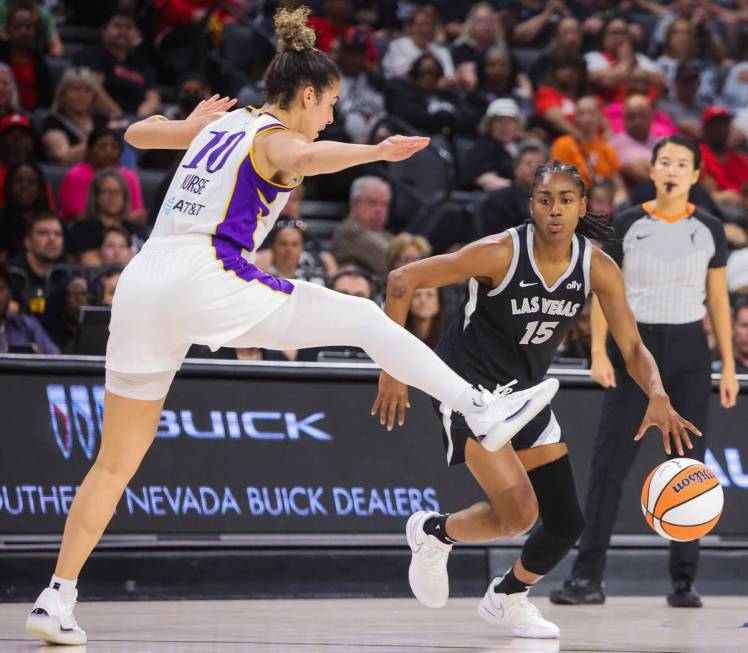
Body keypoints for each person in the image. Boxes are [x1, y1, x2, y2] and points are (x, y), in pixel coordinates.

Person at [24, 7, 560, 645]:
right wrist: (375, 151)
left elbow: (138, 134)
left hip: (143, 283)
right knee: (363, 316)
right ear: (306, 95)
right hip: (204, 275)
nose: (330, 115)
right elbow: (305, 150)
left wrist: (188, 124)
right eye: (329, 103)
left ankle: (56, 598)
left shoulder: (223, 123)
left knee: (113, 463)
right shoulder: (274, 135)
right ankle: (478, 406)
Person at [372, 159, 699, 639]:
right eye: (545, 199)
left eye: (567, 201)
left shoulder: (597, 266)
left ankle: (504, 594)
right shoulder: (499, 252)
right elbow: (402, 281)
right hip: (467, 389)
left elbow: (631, 346)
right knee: (519, 515)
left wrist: (657, 390)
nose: (555, 210)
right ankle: (434, 534)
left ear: (582, 206)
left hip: (524, 397)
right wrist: (393, 369)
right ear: (532, 204)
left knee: (566, 522)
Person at [552, 135, 738, 609]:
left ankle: (683, 580)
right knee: (609, 466)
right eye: (664, 162)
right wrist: (598, 351)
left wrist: (729, 367)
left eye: (682, 164)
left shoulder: (711, 228)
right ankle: (587, 576)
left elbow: (718, 300)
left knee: (688, 468)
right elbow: (605, 292)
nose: (672, 170)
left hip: (691, 353)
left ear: (696, 175)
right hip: (635, 348)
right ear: (652, 171)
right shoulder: (628, 223)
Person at [58, 128, 144, 222]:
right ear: (89, 150)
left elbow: (137, 215)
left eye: (114, 147)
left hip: (122, 231)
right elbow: (78, 216)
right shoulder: (75, 176)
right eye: (102, 146)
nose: (108, 151)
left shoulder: (129, 177)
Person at [40, 67, 109, 166]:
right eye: (76, 89)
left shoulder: (102, 120)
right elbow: (62, 157)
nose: (82, 95)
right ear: (63, 94)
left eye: (88, 90)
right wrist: (99, 141)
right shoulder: (53, 122)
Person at [330, 175, 392, 274]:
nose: (380, 210)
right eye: (372, 202)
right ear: (355, 203)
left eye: (384, 204)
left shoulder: (383, 233)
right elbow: (394, 259)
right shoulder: (350, 232)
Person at [7, 212, 62, 316]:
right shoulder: (9, 274)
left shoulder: (64, 275)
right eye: (43, 233)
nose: (52, 238)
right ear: (28, 242)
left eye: (57, 233)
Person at [0, 261, 58, 353]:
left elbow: (56, 357)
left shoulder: (27, 325)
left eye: (1, 288)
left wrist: (40, 358)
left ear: (9, 294)